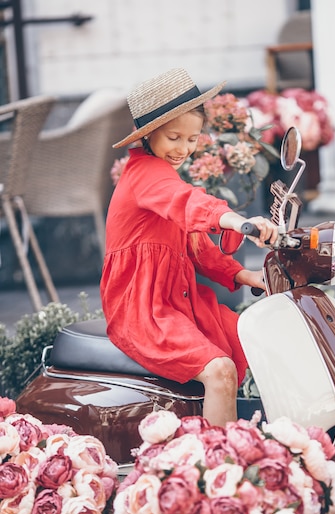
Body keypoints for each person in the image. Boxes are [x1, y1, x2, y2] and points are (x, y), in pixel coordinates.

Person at [100, 68, 278, 427]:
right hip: (142, 306)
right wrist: (236, 221)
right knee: (220, 371)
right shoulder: (146, 175)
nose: (183, 148)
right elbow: (189, 204)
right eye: (173, 137)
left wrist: (250, 276)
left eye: (192, 139)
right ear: (148, 136)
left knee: (252, 339)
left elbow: (197, 247)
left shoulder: (163, 173)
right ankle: (215, 466)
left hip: (175, 299)